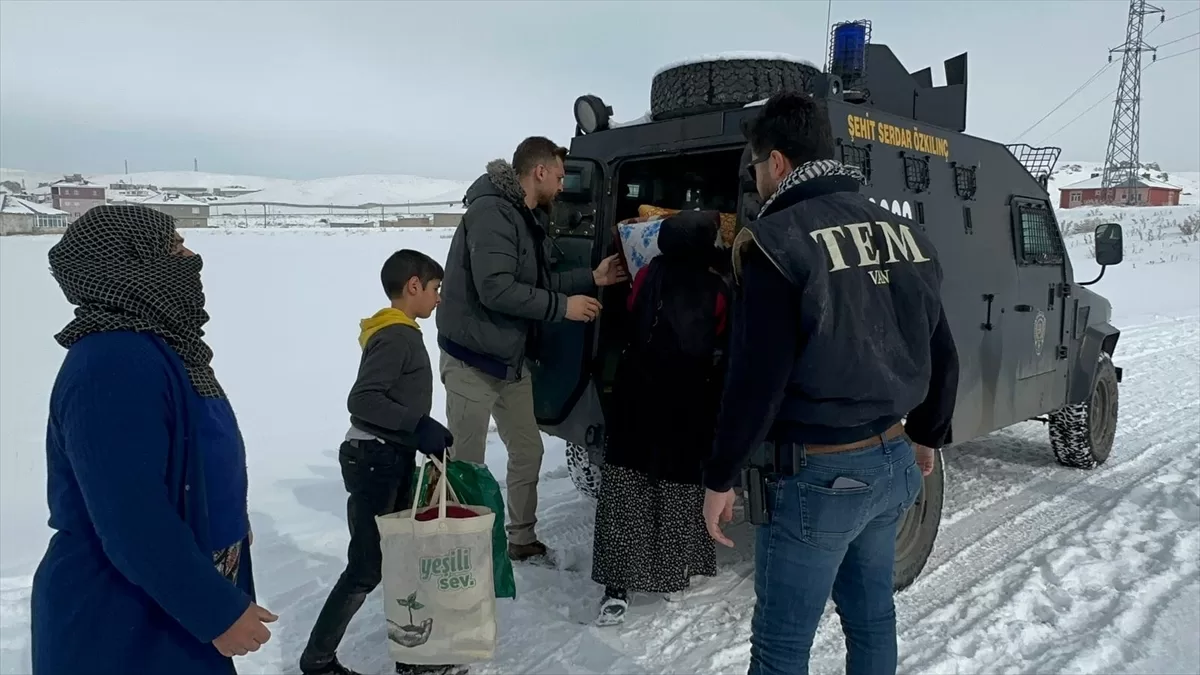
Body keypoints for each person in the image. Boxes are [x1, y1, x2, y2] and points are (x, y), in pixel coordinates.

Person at [702, 92, 960, 675]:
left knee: (781, 649)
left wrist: (720, 475)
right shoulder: (906, 233)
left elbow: (756, 380)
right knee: (872, 623)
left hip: (818, 476)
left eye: (754, 165)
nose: (755, 180)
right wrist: (926, 435)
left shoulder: (777, 241)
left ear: (778, 164)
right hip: (893, 461)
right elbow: (944, 353)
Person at [31, 205, 275, 674]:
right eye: (173, 246)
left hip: (168, 607)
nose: (191, 256)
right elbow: (131, 517)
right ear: (132, 264)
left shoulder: (163, 349)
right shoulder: (112, 362)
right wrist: (216, 610)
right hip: (122, 622)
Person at [436, 136, 628, 564]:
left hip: (508, 358)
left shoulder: (524, 216)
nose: (563, 186)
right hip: (471, 358)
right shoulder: (492, 213)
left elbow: (534, 283)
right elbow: (496, 289)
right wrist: (565, 308)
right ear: (538, 171)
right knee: (467, 460)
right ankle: (460, 551)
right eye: (559, 176)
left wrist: (590, 278)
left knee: (527, 449)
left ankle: (521, 539)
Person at [299, 250, 460, 675]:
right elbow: (364, 399)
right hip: (374, 460)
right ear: (413, 286)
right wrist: (418, 425)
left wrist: (420, 432)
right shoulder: (394, 336)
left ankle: (413, 658)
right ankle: (317, 661)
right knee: (367, 567)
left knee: (401, 558)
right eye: (435, 289)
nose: (439, 298)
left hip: (388, 454)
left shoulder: (401, 331)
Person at [590, 210, 730, 626]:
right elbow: (722, 335)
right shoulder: (717, 287)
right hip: (688, 393)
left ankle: (617, 585)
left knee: (626, 483)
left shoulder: (648, 274)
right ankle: (671, 573)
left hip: (638, 388)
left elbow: (632, 312)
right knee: (679, 481)